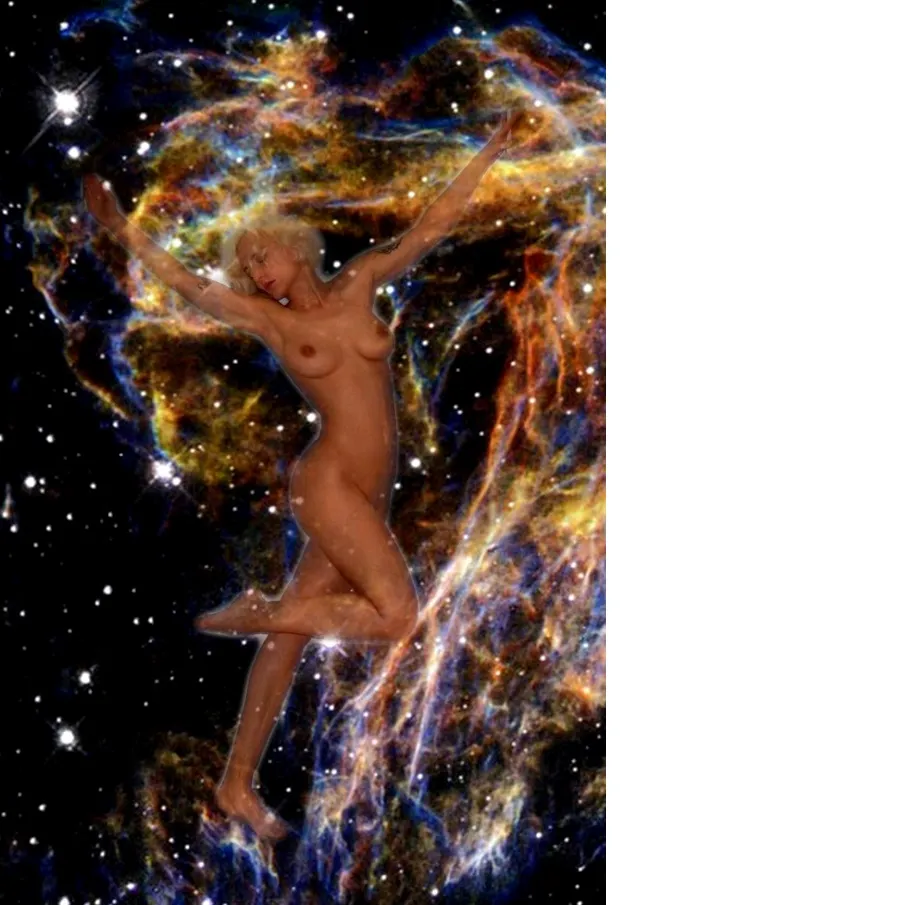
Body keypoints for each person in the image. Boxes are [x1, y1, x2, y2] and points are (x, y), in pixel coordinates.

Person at [82, 108, 526, 841]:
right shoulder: (274, 322)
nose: (258, 271)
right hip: (327, 483)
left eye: (264, 256)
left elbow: (432, 226)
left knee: (293, 631)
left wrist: (490, 150)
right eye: (249, 266)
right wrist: (120, 227)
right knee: (396, 618)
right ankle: (260, 611)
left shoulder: (360, 280)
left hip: (369, 491)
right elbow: (187, 283)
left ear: (295, 246)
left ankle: (236, 783)